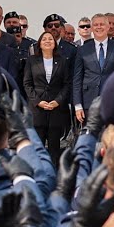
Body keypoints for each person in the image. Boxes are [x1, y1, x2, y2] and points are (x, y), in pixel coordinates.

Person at [23, 30, 74, 166]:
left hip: (56, 109)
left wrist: (57, 101)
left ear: (55, 43)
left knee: (54, 148)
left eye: (50, 39)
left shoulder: (62, 61)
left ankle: (54, 172)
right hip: (37, 109)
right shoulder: (32, 61)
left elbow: (67, 84)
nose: (47, 41)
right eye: (44, 39)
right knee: (37, 146)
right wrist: (38, 102)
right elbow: (27, 84)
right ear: (39, 44)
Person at [73, 13, 114, 124]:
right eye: (96, 25)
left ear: (108, 27)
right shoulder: (82, 50)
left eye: (102, 24)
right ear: (91, 28)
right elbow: (77, 79)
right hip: (89, 103)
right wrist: (78, 105)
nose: (99, 27)